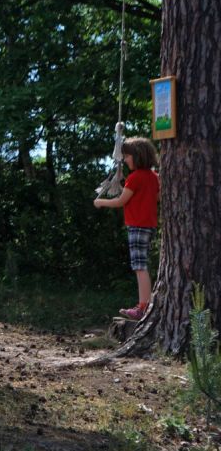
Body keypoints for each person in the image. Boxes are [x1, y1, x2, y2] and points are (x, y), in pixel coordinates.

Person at [94, 137, 160, 321]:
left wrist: (100, 202)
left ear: (137, 156)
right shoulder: (154, 177)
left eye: (127, 156)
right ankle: (145, 305)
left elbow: (121, 201)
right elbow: (157, 197)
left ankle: (143, 307)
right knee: (142, 265)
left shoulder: (135, 177)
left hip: (137, 227)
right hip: (149, 226)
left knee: (139, 267)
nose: (124, 159)